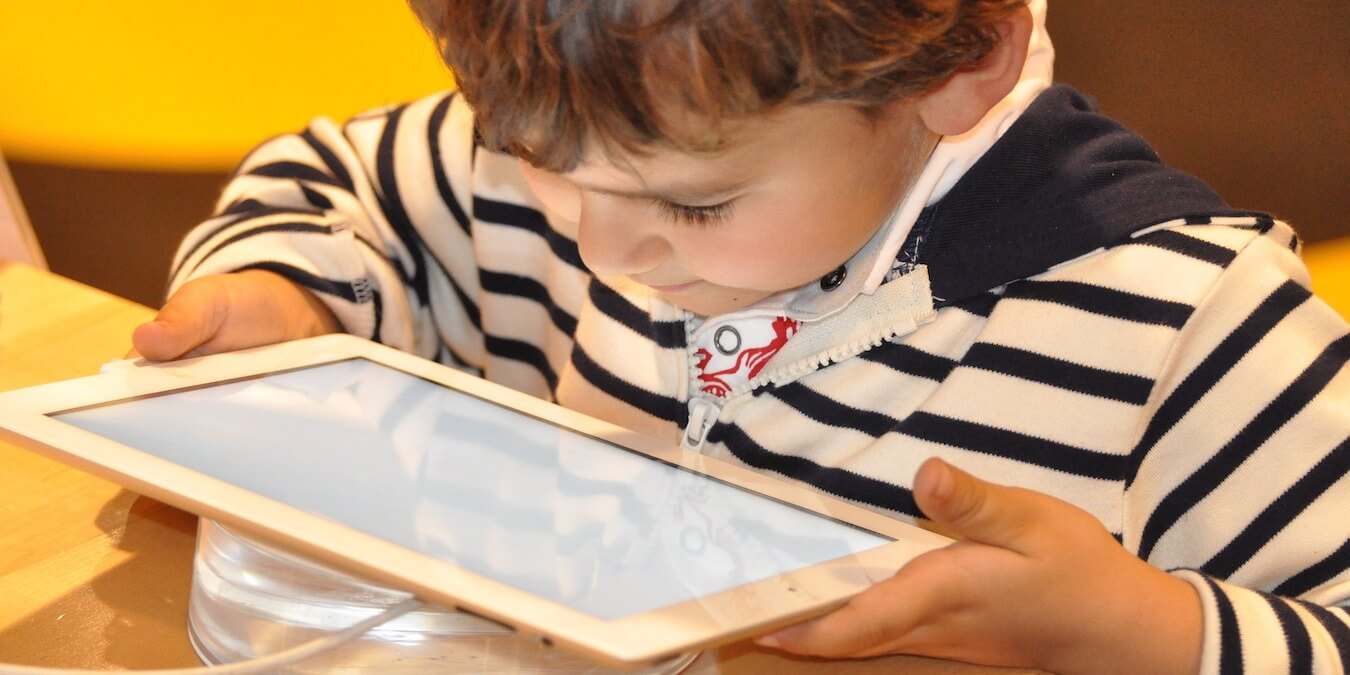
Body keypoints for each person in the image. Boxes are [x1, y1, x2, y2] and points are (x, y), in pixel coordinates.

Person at [131, 1, 1349, 672]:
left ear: (963, 60)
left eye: (695, 208)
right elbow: (344, 186)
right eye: (532, 165)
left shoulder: (1183, 323)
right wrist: (283, 293)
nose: (603, 253)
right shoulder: (609, 127)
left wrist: (1138, 633)